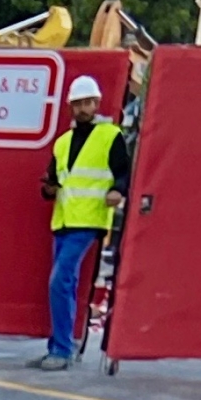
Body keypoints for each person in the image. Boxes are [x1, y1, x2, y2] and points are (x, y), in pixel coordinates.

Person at [35, 72, 128, 373]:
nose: (83, 108)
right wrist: (48, 188)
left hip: (89, 220)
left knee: (59, 281)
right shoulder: (62, 143)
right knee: (67, 283)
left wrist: (118, 190)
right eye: (77, 103)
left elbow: (124, 173)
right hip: (63, 220)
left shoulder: (110, 136)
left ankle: (61, 349)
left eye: (88, 102)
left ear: (97, 103)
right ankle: (61, 346)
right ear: (70, 107)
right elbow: (53, 180)